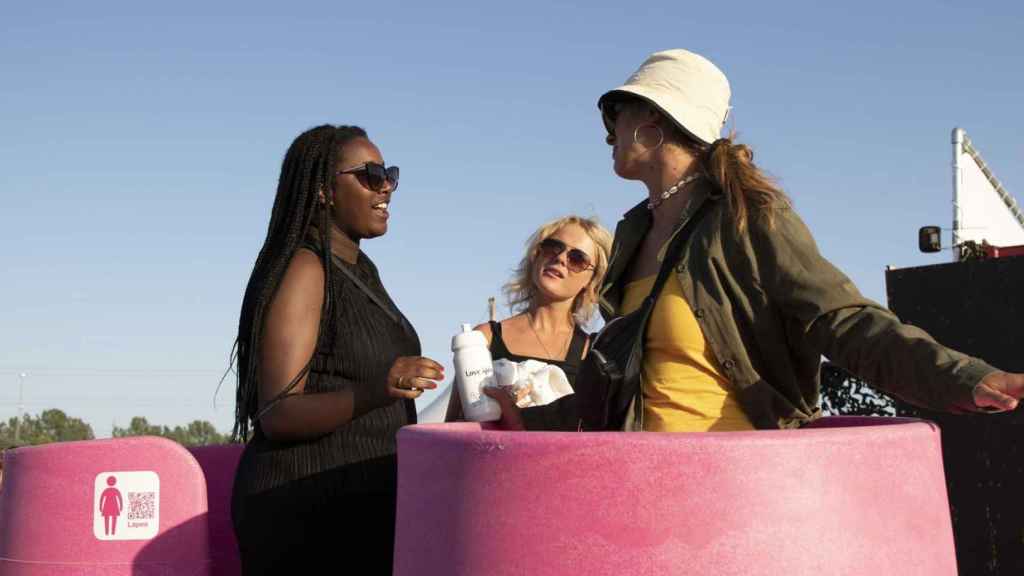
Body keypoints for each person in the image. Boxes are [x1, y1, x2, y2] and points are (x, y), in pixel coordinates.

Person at [490, 49, 1023, 432]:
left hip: (733, 494)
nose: (609, 132)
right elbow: (636, 388)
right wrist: (534, 417)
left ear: (654, 119)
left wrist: (966, 379)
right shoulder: (633, 232)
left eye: (617, 114)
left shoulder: (747, 217)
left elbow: (844, 321)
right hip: (644, 494)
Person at [230, 125, 444, 575]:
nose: (386, 186)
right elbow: (278, 411)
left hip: (354, 507)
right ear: (325, 190)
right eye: (371, 174)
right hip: (305, 512)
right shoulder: (306, 268)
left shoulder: (358, 270)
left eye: (390, 175)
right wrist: (380, 387)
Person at [446, 216, 612, 429]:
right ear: (536, 255)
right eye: (553, 247)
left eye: (577, 258)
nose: (560, 258)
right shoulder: (483, 338)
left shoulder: (594, 352)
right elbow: (452, 426)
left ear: (592, 280)